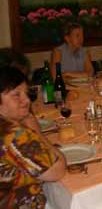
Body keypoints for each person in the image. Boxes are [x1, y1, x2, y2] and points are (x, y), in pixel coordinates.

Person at [0, 67, 66, 209]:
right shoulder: (15, 135)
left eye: (26, 93)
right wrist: (36, 132)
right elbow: (57, 171)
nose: (26, 100)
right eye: (16, 95)